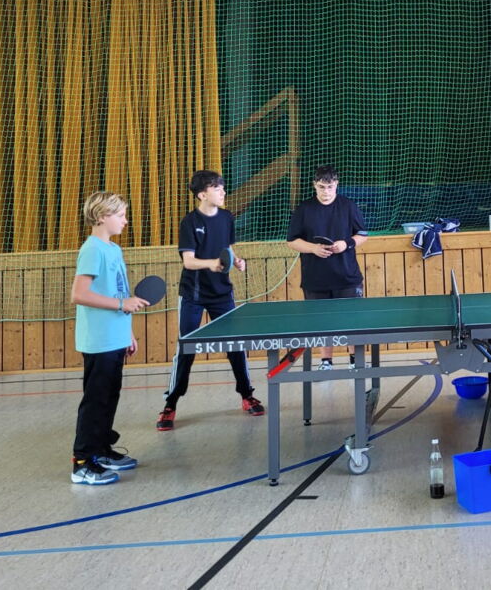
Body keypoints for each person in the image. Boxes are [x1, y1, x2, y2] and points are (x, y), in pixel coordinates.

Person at [156, 170, 264, 431]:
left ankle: (247, 395)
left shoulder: (227, 218)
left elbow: (227, 249)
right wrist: (212, 263)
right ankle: (170, 404)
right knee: (186, 348)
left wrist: (236, 261)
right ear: (202, 195)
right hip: (193, 295)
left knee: (235, 346)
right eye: (217, 188)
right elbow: (188, 261)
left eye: (223, 187)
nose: (223, 192)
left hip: (222, 294)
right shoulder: (189, 222)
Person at [70, 191, 150, 485]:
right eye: (121, 215)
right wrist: (121, 305)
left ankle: (101, 450)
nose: (125, 221)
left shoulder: (114, 249)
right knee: (96, 401)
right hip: (99, 339)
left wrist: (127, 332)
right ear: (103, 217)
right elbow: (79, 294)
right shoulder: (92, 249)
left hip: (115, 337)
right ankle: (82, 463)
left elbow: (120, 291)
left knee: (109, 397)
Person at [286, 164, 368, 368]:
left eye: (330, 187)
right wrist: (313, 248)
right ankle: (326, 361)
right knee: (322, 324)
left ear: (336, 185)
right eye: (322, 187)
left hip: (347, 277)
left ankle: (355, 361)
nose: (326, 192)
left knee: (352, 322)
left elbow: (362, 234)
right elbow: (292, 241)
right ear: (314, 185)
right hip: (315, 279)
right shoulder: (304, 209)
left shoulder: (348, 206)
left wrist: (346, 244)